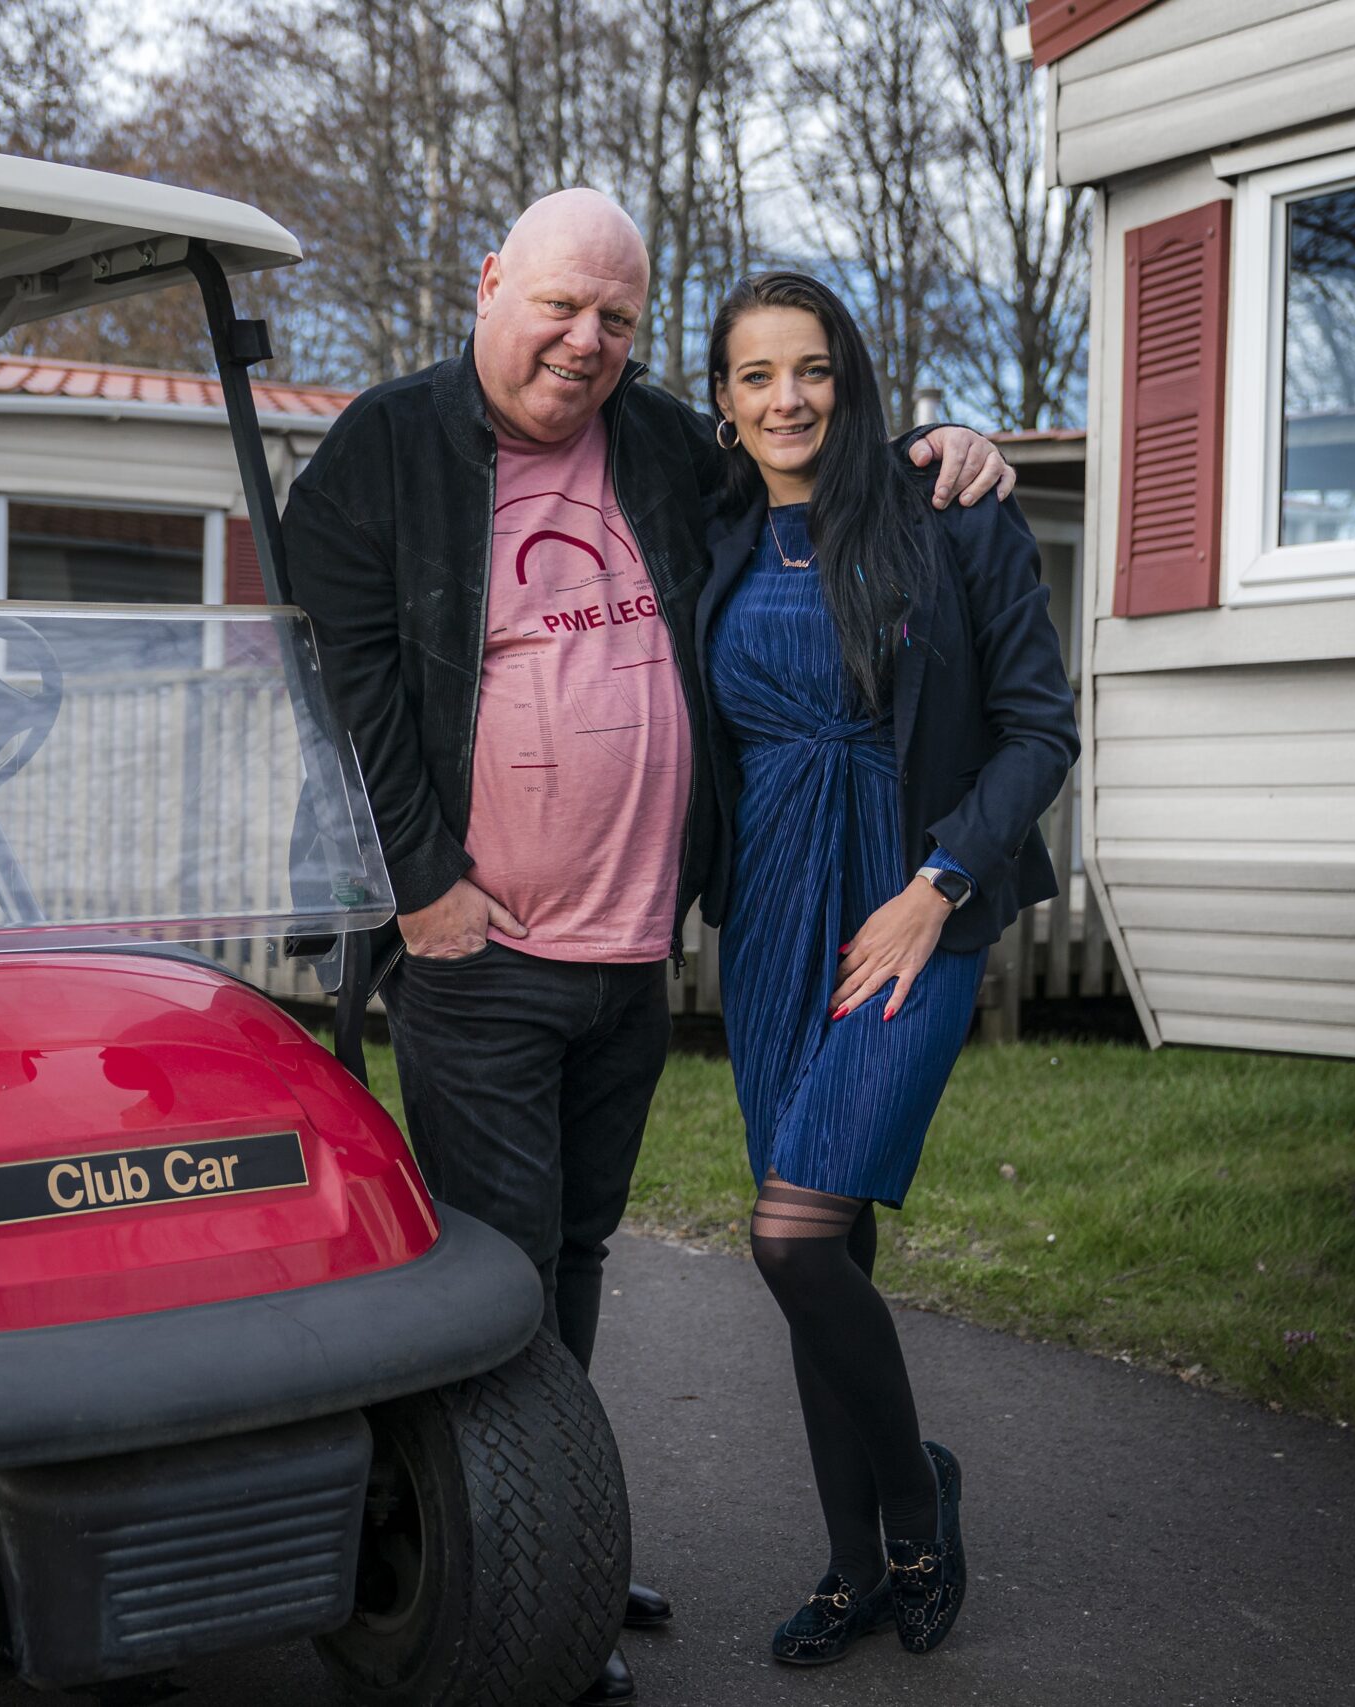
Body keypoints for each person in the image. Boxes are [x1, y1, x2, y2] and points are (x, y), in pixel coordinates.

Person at [281, 191, 1017, 1705]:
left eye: (616, 319)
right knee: (499, 1276)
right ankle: (501, 1580)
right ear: (492, 285)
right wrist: (422, 885)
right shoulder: (387, 452)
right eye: (560, 306)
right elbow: (339, 683)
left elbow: (810, 439)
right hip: (484, 954)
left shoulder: (666, 443)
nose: (585, 342)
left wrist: (953, 439)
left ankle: (554, 1541)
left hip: (636, 951)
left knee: (572, 1257)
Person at [694, 270, 1076, 1666]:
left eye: (812, 369)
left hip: (906, 905)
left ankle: (919, 1499)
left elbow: (1040, 727)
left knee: (789, 1235)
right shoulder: (714, 526)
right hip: (773, 915)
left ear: (849, 378)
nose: (786, 398)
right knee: (822, 1253)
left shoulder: (946, 509)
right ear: (724, 405)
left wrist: (938, 886)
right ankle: (857, 1567)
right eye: (754, 376)